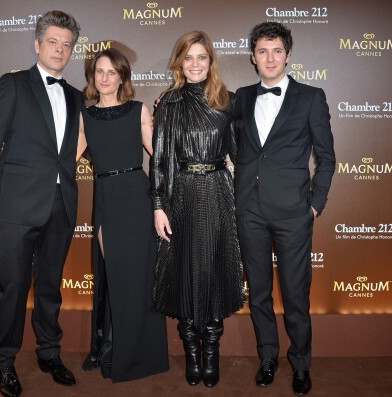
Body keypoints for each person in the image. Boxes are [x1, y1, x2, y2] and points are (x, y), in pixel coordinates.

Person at [0, 10, 83, 397]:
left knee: (50, 286)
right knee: (15, 287)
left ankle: (49, 352)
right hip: (16, 205)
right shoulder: (13, 85)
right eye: (53, 42)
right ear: (37, 45)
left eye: (66, 45)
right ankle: (4, 359)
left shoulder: (75, 96)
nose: (60, 49)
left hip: (61, 204)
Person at [233, 22, 336, 395]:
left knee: (295, 295)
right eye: (262, 51)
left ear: (288, 55)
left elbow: (326, 158)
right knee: (258, 294)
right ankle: (267, 358)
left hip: (294, 213)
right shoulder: (240, 98)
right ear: (253, 57)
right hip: (249, 212)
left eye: (277, 51)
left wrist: (314, 206)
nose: (270, 58)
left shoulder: (311, 97)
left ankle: (301, 363)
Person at [151, 31, 245, 388]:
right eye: (188, 58)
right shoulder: (169, 103)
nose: (195, 65)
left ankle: (212, 351)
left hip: (219, 192)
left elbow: (240, 156)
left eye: (201, 58)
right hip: (183, 194)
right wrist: (159, 206)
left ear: (211, 61)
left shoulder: (228, 102)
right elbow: (159, 161)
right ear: (179, 62)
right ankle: (192, 350)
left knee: (215, 271)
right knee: (185, 272)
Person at [78, 48, 169, 382]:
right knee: (112, 277)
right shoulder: (84, 117)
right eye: (99, 72)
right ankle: (108, 348)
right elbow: (64, 159)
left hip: (137, 197)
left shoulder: (137, 110)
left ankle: (138, 356)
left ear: (122, 77)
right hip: (106, 200)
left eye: (111, 72)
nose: (104, 78)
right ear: (93, 77)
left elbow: (158, 157)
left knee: (139, 280)